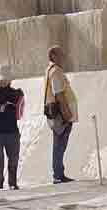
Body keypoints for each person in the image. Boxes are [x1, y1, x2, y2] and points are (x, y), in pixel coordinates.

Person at [0, 66, 24, 191]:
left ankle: (12, 183)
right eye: (2, 79)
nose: (4, 82)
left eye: (6, 79)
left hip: (12, 130)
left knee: (13, 158)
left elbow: (20, 110)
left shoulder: (15, 93)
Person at [42, 47, 77, 184]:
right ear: (53, 56)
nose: (64, 57)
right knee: (59, 144)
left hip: (56, 113)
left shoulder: (50, 70)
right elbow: (59, 93)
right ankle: (58, 175)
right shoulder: (56, 71)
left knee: (59, 144)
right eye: (61, 55)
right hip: (60, 114)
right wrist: (67, 112)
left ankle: (59, 173)